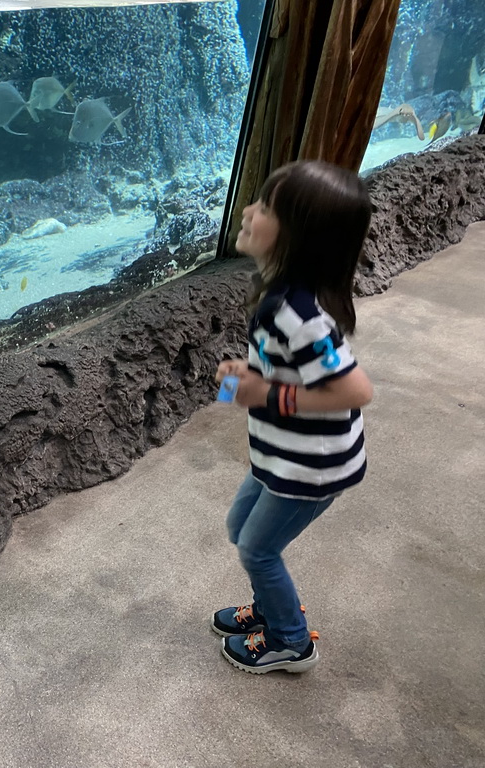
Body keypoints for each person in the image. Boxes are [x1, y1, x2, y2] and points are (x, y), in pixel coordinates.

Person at [212, 160, 375, 674]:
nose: (248, 211)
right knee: (241, 529)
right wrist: (251, 374)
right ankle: (271, 606)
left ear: (300, 237)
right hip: (280, 456)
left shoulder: (301, 315)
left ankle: (290, 641)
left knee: (258, 549)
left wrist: (269, 394)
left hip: (313, 467)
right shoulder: (276, 299)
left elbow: (354, 389)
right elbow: (287, 370)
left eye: (263, 208)